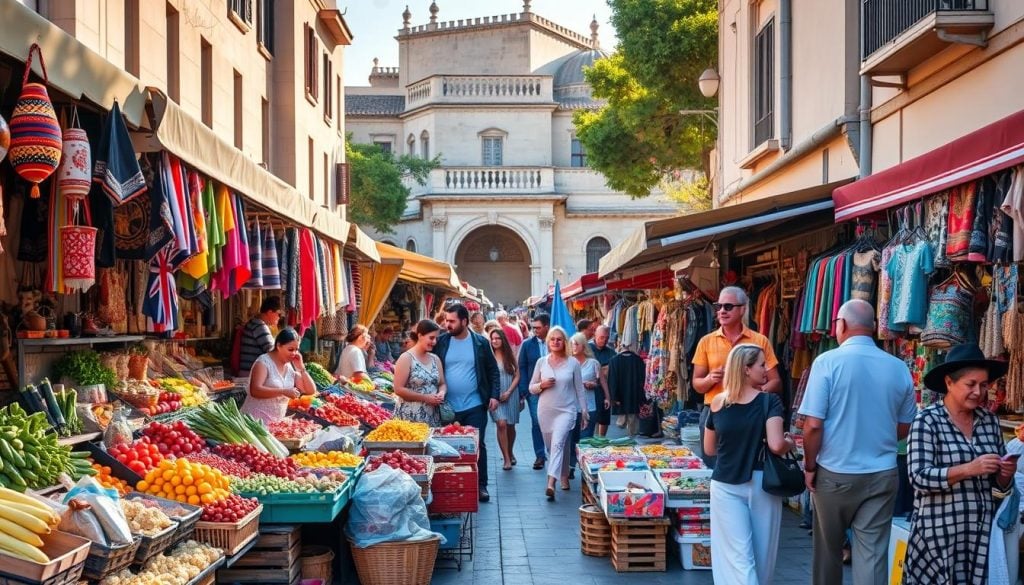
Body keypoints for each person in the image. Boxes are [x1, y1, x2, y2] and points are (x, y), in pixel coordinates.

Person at [798, 299, 917, 585]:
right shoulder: (898, 367)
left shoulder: (826, 362)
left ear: (841, 325)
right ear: (874, 328)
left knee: (828, 550)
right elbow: (904, 425)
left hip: (834, 472)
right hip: (882, 473)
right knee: (873, 554)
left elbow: (813, 424)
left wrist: (810, 466)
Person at [903, 343, 1015, 584]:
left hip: (978, 536)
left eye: (984, 385)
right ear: (949, 383)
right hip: (937, 538)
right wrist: (968, 469)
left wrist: (1005, 475)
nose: (978, 392)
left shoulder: (989, 422)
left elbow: (999, 489)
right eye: (971, 384)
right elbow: (919, 477)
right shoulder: (927, 421)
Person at [704, 344, 795, 584]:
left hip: (724, 482)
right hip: (760, 482)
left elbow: (709, 449)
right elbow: (776, 445)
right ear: (746, 369)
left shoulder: (717, 403)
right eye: (762, 365)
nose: (766, 370)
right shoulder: (769, 402)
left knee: (735, 554)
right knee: (762, 553)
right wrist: (790, 443)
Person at [692, 286, 781, 466]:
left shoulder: (759, 340)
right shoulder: (706, 341)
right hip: (715, 411)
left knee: (751, 462)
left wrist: (757, 393)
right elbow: (697, 384)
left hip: (751, 411)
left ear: (743, 309)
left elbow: (776, 381)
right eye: (719, 306)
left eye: (728, 306)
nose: (722, 311)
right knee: (712, 463)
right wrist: (710, 379)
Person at [433, 303, 501, 503]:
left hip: (474, 404)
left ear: (464, 321)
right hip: (447, 407)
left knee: (476, 444)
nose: (447, 325)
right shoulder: (442, 342)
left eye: (452, 321)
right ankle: (452, 484)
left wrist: (494, 395)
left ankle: (481, 485)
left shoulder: (480, 342)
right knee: (448, 446)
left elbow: (492, 370)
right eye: (446, 320)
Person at [529, 326, 588, 500]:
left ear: (564, 342)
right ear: (548, 342)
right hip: (546, 410)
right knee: (554, 446)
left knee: (557, 444)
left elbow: (580, 390)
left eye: (559, 339)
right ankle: (563, 476)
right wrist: (542, 385)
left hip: (567, 410)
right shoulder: (542, 362)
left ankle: (550, 483)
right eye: (552, 339)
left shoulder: (573, 363)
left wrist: (584, 411)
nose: (555, 342)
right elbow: (531, 388)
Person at [241, 328, 317, 423]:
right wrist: (283, 391)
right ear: (278, 346)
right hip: (254, 422)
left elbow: (310, 390)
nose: (294, 353)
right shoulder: (263, 362)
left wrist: (301, 368)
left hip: (275, 423)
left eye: (296, 349)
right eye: (290, 349)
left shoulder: (289, 366)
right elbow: (255, 390)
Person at [392, 320, 446, 426]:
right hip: (410, 417)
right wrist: (426, 398)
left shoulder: (435, 359)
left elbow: (442, 383)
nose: (434, 342)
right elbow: (398, 389)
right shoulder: (406, 358)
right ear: (420, 335)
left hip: (433, 416)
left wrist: (441, 393)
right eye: (431, 338)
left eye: (436, 338)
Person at [568, 332, 603, 480]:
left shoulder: (593, 363)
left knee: (585, 441)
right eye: (572, 344)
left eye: (577, 344)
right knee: (570, 440)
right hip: (570, 408)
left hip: (589, 406)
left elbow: (599, 382)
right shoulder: (567, 362)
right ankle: (570, 467)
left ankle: (585, 470)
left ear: (584, 346)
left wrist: (592, 385)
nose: (574, 347)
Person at [518, 313, 551, 470]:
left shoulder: (556, 342)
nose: (535, 330)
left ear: (547, 327)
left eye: (538, 328)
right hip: (535, 390)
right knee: (537, 422)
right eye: (533, 328)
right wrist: (524, 389)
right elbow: (522, 367)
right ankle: (540, 455)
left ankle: (554, 452)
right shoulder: (527, 345)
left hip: (554, 390)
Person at [489, 328, 521, 470]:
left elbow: (517, 375)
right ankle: (506, 458)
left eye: (497, 338)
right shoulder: (488, 356)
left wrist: (509, 392)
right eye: (493, 338)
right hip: (495, 396)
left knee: (510, 426)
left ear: (503, 340)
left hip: (511, 393)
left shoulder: (510, 355)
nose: (495, 341)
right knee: (501, 424)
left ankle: (510, 451)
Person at [607, 345, 645, 437]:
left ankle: (623, 426)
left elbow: (612, 381)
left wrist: (614, 397)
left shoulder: (613, 361)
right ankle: (632, 436)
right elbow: (642, 380)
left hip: (620, 398)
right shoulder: (638, 361)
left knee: (622, 424)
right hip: (634, 397)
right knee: (633, 424)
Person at [239, 296, 282, 375]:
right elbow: (272, 351)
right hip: (251, 375)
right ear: (270, 312)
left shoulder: (253, 322)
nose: (279, 318)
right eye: (279, 314)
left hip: (248, 372)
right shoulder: (260, 326)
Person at [589, 325, 615, 437]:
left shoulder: (611, 353)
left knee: (604, 415)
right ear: (595, 335)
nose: (604, 340)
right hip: (589, 388)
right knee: (590, 415)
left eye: (606, 338)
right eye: (601, 337)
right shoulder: (586, 348)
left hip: (604, 389)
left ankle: (601, 439)